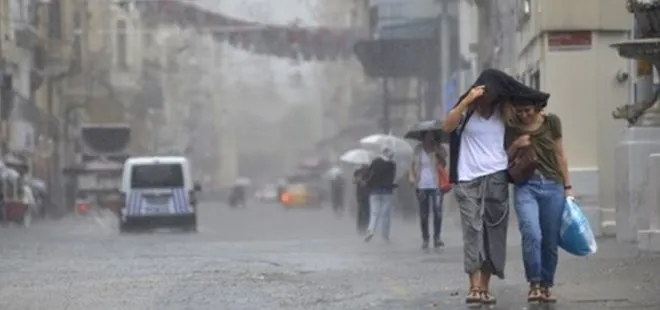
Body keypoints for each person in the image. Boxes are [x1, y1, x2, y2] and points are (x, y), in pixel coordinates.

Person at [443, 69, 551, 305]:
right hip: (467, 178)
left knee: (494, 232)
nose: (488, 101)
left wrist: (519, 144)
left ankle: (484, 286)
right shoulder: (467, 111)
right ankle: (473, 286)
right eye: (485, 96)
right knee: (472, 230)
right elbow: (447, 126)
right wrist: (467, 100)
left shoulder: (505, 113)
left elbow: (535, 102)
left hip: (496, 176)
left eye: (493, 96)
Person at [505, 102, 571, 304]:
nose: (524, 115)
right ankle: (534, 283)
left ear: (537, 108)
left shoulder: (552, 122)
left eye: (528, 110)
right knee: (531, 232)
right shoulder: (511, 127)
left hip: (553, 185)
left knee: (550, 239)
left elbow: (560, 154)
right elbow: (502, 158)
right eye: (520, 110)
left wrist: (568, 186)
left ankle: (546, 285)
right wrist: (516, 145)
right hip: (526, 185)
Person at [409, 131, 447, 249]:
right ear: (423, 137)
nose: (430, 137)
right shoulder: (418, 149)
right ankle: (425, 238)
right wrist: (412, 176)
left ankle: (437, 237)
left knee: (437, 212)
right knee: (424, 214)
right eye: (428, 135)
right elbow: (412, 164)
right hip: (422, 185)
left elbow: (444, 164)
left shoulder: (440, 148)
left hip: (436, 185)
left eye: (432, 135)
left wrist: (437, 152)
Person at [364, 145, 397, 242]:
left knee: (374, 213)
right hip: (387, 191)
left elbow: (368, 173)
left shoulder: (376, 161)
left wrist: (366, 181)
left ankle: (371, 230)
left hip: (375, 191)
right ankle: (385, 235)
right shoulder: (392, 164)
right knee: (385, 214)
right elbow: (393, 177)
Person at [353, 164, 371, 234]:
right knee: (361, 211)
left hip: (368, 194)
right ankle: (360, 227)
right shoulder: (357, 171)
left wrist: (365, 182)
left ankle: (367, 226)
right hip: (360, 195)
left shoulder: (371, 172)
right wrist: (358, 179)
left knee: (368, 211)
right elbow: (354, 181)